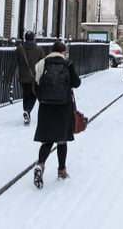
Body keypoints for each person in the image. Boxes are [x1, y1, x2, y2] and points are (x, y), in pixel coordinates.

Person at [32, 40, 81, 189]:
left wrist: (42, 98)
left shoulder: (42, 63)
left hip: (46, 106)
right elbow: (77, 83)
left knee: (47, 140)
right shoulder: (67, 64)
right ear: (63, 52)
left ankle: (40, 164)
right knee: (61, 140)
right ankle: (61, 170)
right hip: (63, 106)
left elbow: (36, 83)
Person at [9, 31, 45, 125]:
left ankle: (26, 110)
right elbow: (43, 64)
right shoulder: (39, 50)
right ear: (33, 38)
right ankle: (28, 111)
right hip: (35, 77)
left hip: (23, 77)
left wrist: (9, 77)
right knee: (33, 95)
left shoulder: (20, 49)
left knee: (26, 94)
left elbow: (13, 63)